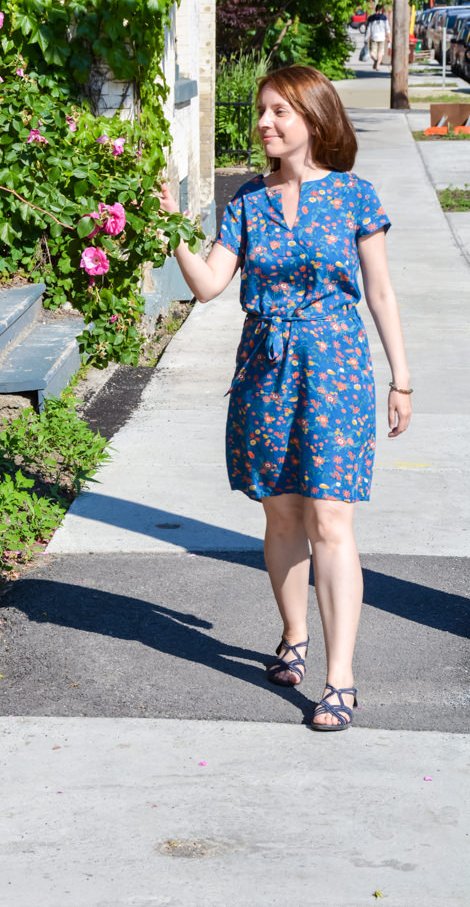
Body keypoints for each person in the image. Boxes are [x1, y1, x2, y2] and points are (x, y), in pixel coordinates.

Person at [159, 65, 411, 731]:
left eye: (278, 111)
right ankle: (293, 635)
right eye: (261, 111)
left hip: (337, 368)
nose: (264, 122)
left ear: (315, 119)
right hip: (266, 370)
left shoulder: (356, 196)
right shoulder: (246, 201)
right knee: (281, 516)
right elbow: (211, 284)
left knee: (331, 518)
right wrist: (171, 229)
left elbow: (381, 294)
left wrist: (401, 376)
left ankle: (340, 677)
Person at [365, 4, 390, 70]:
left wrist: (366, 39)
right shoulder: (384, 18)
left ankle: (375, 60)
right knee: (380, 53)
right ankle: (377, 66)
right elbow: (387, 29)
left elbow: (368, 30)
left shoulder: (371, 18)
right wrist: (389, 38)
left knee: (372, 53)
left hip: (374, 38)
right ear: (381, 10)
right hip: (382, 38)